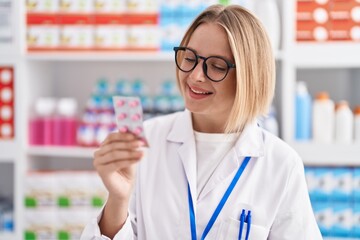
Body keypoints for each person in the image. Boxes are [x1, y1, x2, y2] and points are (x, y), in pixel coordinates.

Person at [81, 4, 322, 240]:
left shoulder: (281, 165)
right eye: (189, 58)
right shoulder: (145, 142)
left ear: (249, 76)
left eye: (216, 66)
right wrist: (118, 199)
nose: (195, 76)